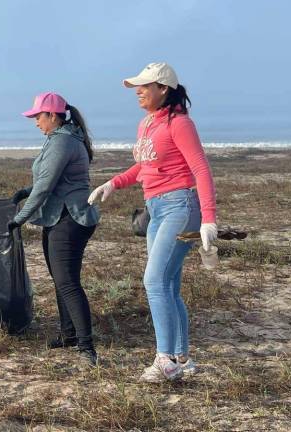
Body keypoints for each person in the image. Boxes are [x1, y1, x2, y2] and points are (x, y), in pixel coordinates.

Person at [88, 63, 217, 382]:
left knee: (154, 281)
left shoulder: (180, 123)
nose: (138, 91)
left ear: (164, 88)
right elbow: (142, 167)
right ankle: (182, 358)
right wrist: (113, 183)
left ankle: (165, 360)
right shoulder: (146, 124)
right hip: (156, 208)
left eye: (145, 86)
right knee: (169, 285)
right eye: (137, 86)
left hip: (181, 205)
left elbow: (201, 169)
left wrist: (209, 219)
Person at [8, 92, 101, 366]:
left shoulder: (62, 141)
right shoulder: (61, 139)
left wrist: (20, 218)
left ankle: (87, 347)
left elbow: (47, 185)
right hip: (59, 217)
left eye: (38, 116)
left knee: (68, 282)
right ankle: (68, 334)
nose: (36, 122)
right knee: (61, 279)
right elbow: (48, 179)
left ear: (53, 115)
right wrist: (26, 191)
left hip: (70, 219)